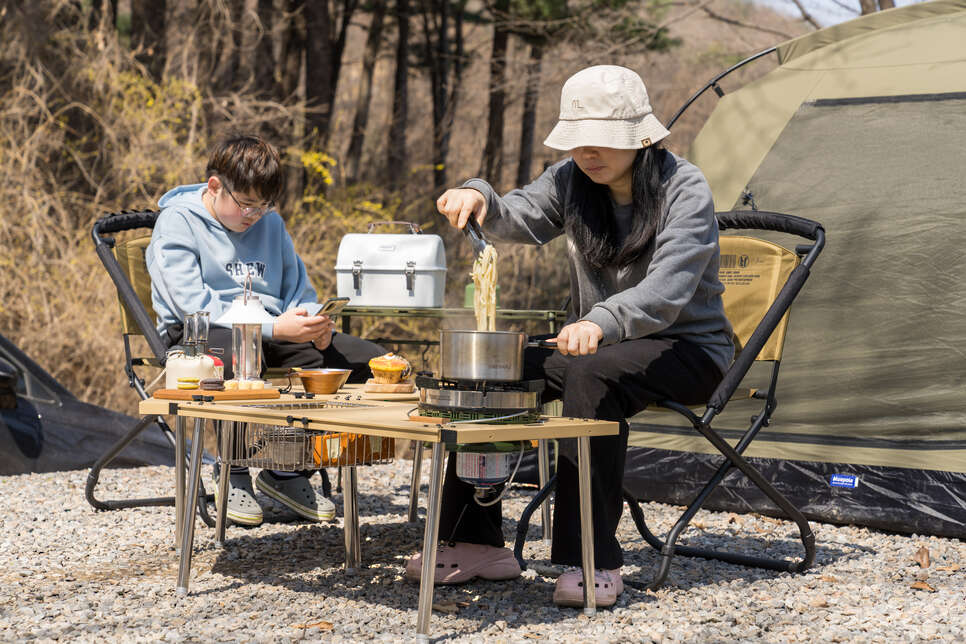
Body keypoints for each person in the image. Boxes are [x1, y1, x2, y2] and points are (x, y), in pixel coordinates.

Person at [408, 65, 734, 608]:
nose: (588, 152)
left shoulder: (685, 188)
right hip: (600, 343)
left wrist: (599, 322)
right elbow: (518, 214)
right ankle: (475, 539)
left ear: (641, 137)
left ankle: (594, 557)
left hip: (689, 350)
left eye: (603, 141)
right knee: (493, 367)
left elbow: (667, 291)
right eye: (577, 140)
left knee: (589, 374)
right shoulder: (570, 181)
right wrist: (477, 195)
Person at [147, 133, 386, 527]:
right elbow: (190, 303)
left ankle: (287, 470)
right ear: (214, 186)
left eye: (263, 206)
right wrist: (274, 326)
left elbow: (299, 290)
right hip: (199, 334)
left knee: (361, 362)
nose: (253, 216)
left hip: (274, 331)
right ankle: (233, 470)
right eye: (245, 205)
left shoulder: (271, 224)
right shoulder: (177, 223)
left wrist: (313, 323)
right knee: (243, 352)